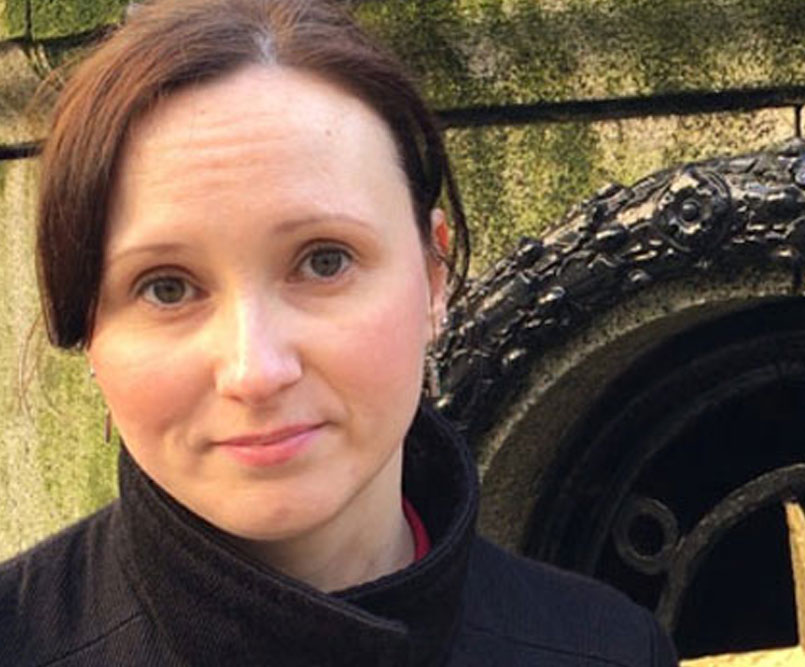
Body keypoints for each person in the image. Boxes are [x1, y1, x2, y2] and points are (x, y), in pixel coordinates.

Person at [0, 0, 678, 665]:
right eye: (166, 287)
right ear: (89, 328)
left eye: (324, 261)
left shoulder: (608, 648)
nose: (255, 370)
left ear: (434, 274)